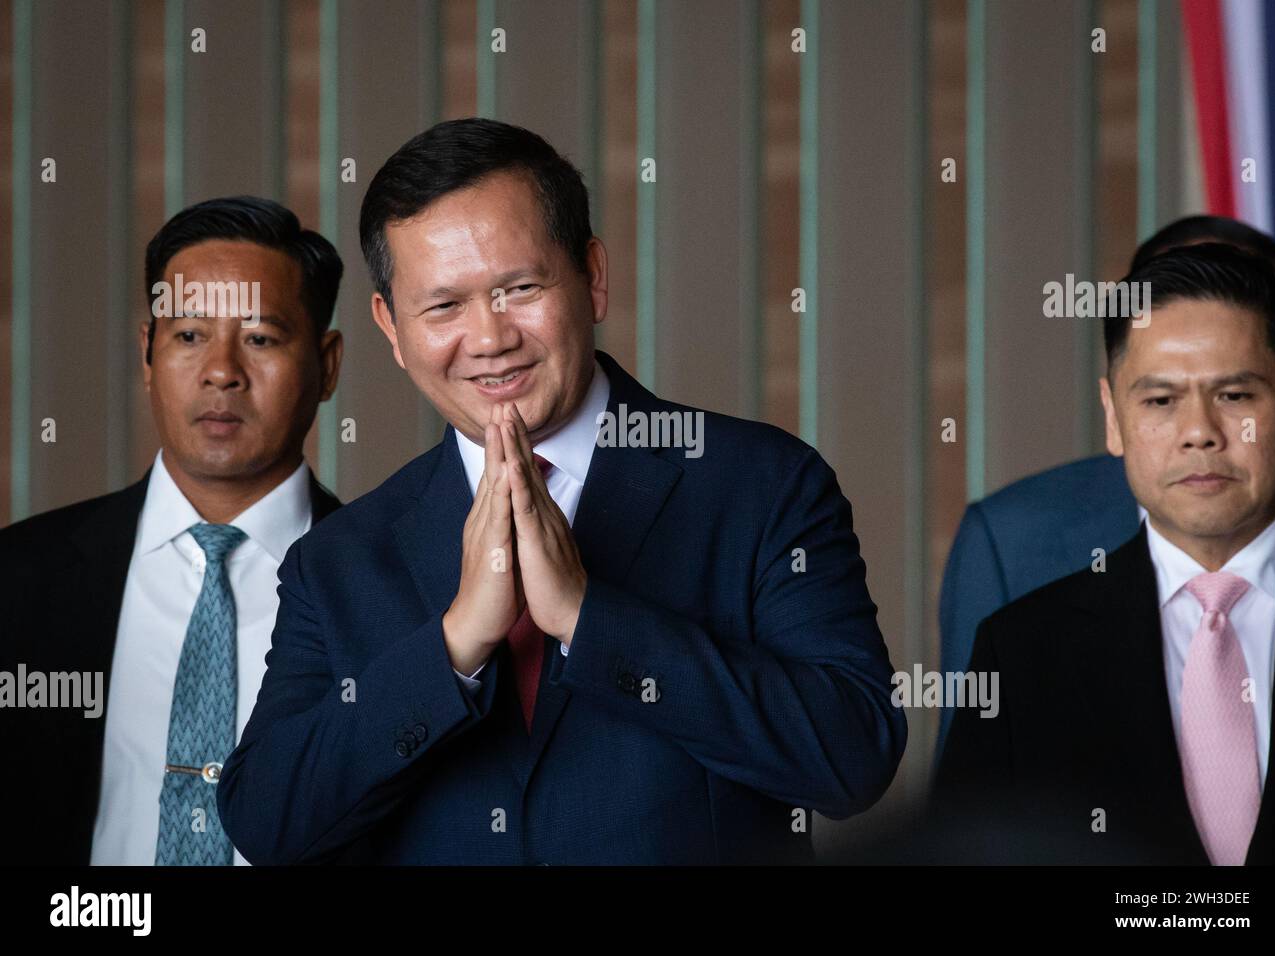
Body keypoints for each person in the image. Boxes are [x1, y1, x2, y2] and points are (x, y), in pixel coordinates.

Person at [216, 118, 906, 865]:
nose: (489, 338)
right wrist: (453, 647)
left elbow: (853, 757)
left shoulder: (761, 484)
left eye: (519, 288)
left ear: (593, 275)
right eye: (444, 306)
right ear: (390, 325)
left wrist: (587, 616)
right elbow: (267, 821)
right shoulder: (340, 559)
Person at [0, 196, 345, 865]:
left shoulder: (395, 591)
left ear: (327, 366)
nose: (221, 371)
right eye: (189, 335)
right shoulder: (19, 579)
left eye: (260, 338)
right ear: (148, 352)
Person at [934, 243, 1275, 864]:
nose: (1199, 431)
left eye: (1235, 396)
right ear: (1113, 417)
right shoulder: (1023, 651)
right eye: (1160, 401)